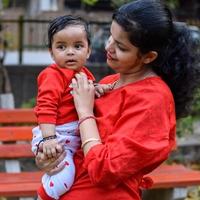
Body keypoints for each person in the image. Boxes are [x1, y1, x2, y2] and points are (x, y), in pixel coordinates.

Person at [35, 0, 200, 199]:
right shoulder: (110, 82)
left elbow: (104, 170)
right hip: (67, 186)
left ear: (148, 57)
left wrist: (85, 112)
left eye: (120, 46)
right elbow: (75, 140)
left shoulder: (153, 100)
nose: (108, 47)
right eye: (110, 37)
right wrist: (48, 157)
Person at [31, 15, 95, 199]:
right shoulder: (53, 75)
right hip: (55, 135)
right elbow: (46, 106)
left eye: (78, 46)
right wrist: (49, 138)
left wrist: (100, 88)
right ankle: (43, 196)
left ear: (88, 50)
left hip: (71, 137)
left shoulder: (84, 74)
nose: (70, 52)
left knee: (67, 173)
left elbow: (87, 93)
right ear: (51, 53)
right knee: (65, 177)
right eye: (61, 47)